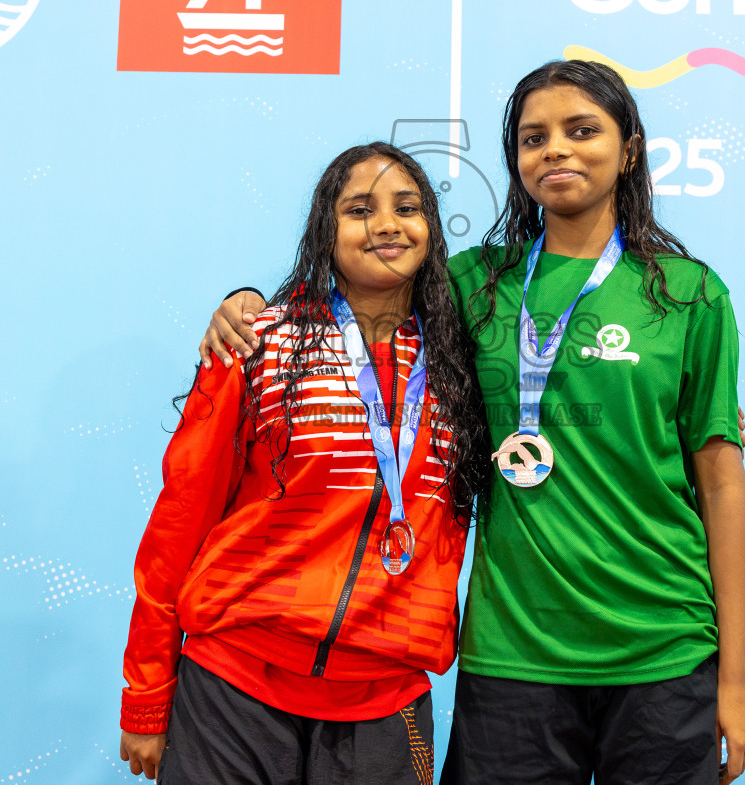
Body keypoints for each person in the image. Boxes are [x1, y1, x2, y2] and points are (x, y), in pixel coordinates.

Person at [203, 59, 745, 785]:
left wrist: (737, 676)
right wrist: (248, 301)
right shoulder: (471, 285)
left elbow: (720, 484)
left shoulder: (690, 296)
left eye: (581, 130)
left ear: (628, 151)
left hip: (665, 648)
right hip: (511, 654)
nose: (555, 149)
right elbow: (359, 304)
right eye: (534, 138)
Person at [119, 142, 491, 784]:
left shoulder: (466, 368)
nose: (385, 225)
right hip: (234, 686)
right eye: (358, 210)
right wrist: (148, 697)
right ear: (325, 231)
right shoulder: (258, 344)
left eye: (408, 207)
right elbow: (177, 524)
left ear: (431, 228)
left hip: (386, 702)